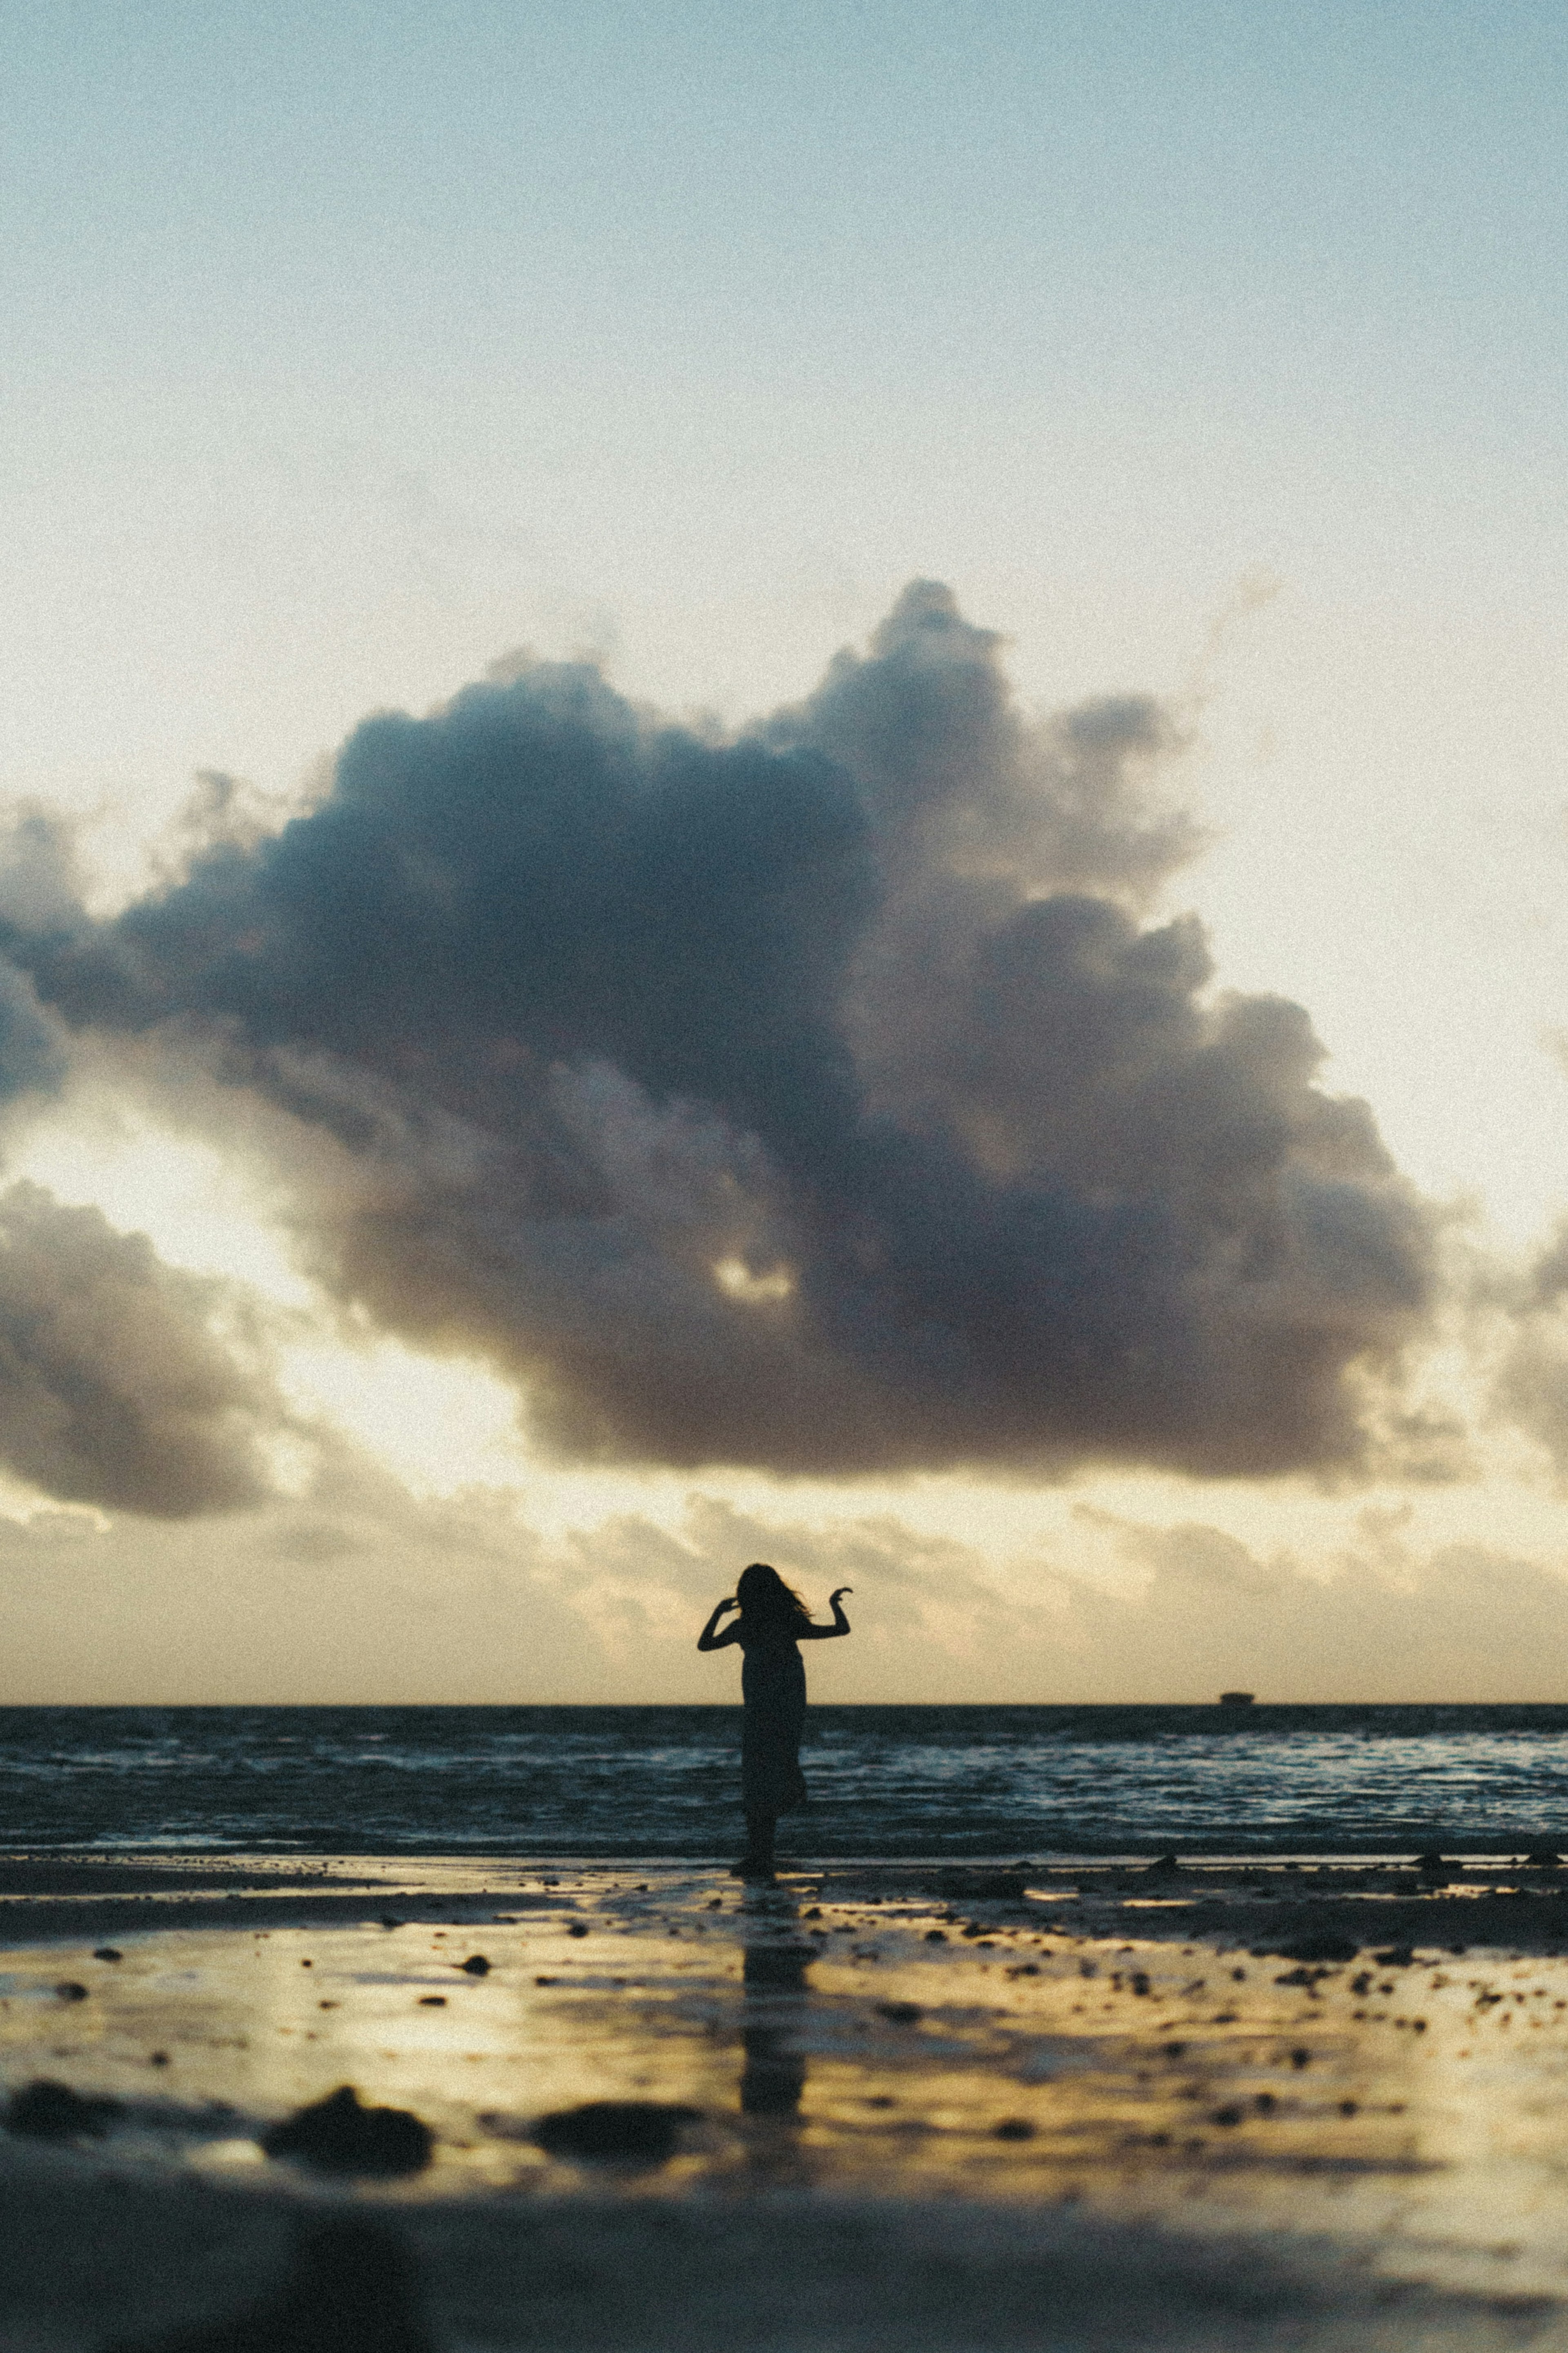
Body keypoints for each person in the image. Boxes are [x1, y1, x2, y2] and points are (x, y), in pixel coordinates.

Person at [697, 1563, 852, 1878]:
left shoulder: (749, 1626)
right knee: (766, 1780)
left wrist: (717, 1612)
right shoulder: (780, 1622)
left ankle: (763, 1849)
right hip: (782, 1709)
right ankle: (761, 1854)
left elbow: (705, 1643)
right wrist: (834, 1606)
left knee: (759, 1783)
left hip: (766, 1710)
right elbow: (840, 1629)